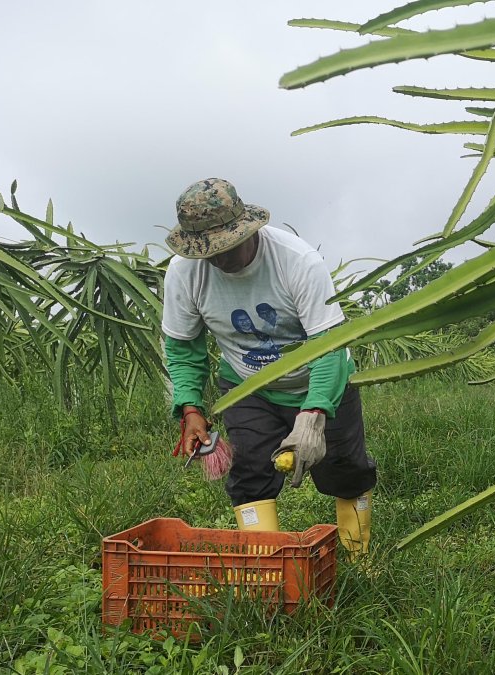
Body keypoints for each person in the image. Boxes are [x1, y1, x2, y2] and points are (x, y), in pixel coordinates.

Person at [160, 177, 377, 555]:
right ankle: (267, 570)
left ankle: (359, 560)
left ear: (247, 229)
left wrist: (313, 414)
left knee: (345, 469)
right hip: (250, 387)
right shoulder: (184, 273)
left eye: (227, 247)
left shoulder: (297, 261)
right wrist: (191, 409)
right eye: (208, 251)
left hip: (321, 379)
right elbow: (183, 348)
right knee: (250, 473)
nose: (219, 259)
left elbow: (328, 346)